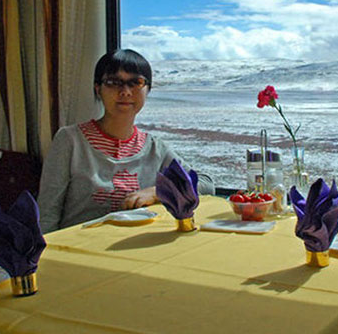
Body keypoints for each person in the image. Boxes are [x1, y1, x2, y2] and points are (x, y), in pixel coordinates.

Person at [37, 49, 214, 233]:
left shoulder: (155, 148)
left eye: (136, 83)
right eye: (114, 82)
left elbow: (205, 183)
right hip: (77, 248)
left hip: (133, 247)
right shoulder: (70, 141)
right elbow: (47, 212)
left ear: (148, 90)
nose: (125, 92)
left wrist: (158, 192)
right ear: (98, 88)